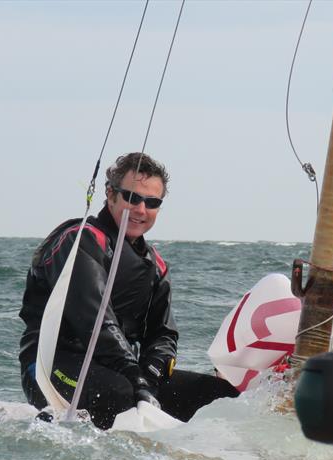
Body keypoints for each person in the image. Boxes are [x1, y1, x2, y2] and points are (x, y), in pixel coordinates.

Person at [18, 152, 238, 429]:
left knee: (221, 396)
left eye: (152, 202)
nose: (141, 210)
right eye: (132, 198)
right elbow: (94, 318)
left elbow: (163, 334)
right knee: (122, 397)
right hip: (52, 367)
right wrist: (135, 376)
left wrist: (151, 372)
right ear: (110, 194)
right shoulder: (79, 240)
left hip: (122, 370)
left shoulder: (156, 266)